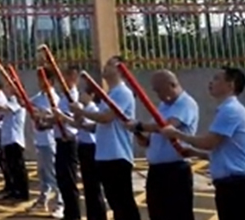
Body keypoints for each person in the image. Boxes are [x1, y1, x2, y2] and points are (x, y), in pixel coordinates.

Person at [160, 67, 245, 220]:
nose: (211, 82)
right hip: (230, 184)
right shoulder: (228, 110)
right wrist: (195, 153)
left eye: (217, 79)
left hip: (236, 185)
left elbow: (209, 142)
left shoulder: (230, 111)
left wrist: (177, 134)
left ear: (230, 85)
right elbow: (223, 152)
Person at [71, 56, 140, 220]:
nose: (105, 67)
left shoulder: (123, 93)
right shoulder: (110, 94)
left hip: (117, 154)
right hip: (105, 155)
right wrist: (83, 123)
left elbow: (106, 117)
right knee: (115, 202)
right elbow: (100, 126)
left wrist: (82, 112)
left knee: (124, 203)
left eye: (110, 64)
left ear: (120, 70)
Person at [124, 70, 198, 220]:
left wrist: (140, 125)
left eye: (160, 90)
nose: (158, 95)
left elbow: (167, 126)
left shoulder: (186, 103)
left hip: (175, 169)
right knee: (157, 212)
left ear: (172, 85)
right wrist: (139, 134)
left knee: (178, 214)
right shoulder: (164, 106)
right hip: (157, 170)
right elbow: (151, 137)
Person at [57, 78, 106, 220]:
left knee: (93, 186)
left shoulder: (92, 110)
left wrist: (76, 117)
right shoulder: (84, 110)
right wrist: (64, 118)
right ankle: (92, 215)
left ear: (91, 95)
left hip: (91, 148)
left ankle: (98, 216)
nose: (81, 96)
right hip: (83, 146)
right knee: (88, 186)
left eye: (84, 93)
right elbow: (77, 125)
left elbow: (90, 127)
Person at [0, 79, 28, 201]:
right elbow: (0, 115)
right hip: (8, 138)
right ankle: (13, 190)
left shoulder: (18, 101)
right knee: (11, 167)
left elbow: (5, 109)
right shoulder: (11, 100)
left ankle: (22, 192)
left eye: (12, 86)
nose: (9, 88)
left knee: (18, 167)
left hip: (15, 138)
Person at [29, 69, 63, 218]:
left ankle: (60, 203)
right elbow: (27, 104)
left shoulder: (54, 98)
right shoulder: (39, 96)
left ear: (50, 81)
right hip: (40, 140)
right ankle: (43, 198)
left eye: (42, 79)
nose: (39, 82)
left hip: (50, 140)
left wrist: (41, 114)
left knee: (53, 173)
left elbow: (54, 116)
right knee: (42, 173)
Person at [53, 66, 82, 220]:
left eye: (66, 76)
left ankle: (74, 215)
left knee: (69, 180)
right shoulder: (64, 97)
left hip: (69, 140)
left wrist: (58, 116)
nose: (62, 80)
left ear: (73, 78)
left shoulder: (73, 97)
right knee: (62, 179)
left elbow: (72, 119)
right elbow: (58, 118)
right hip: (60, 140)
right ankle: (68, 213)